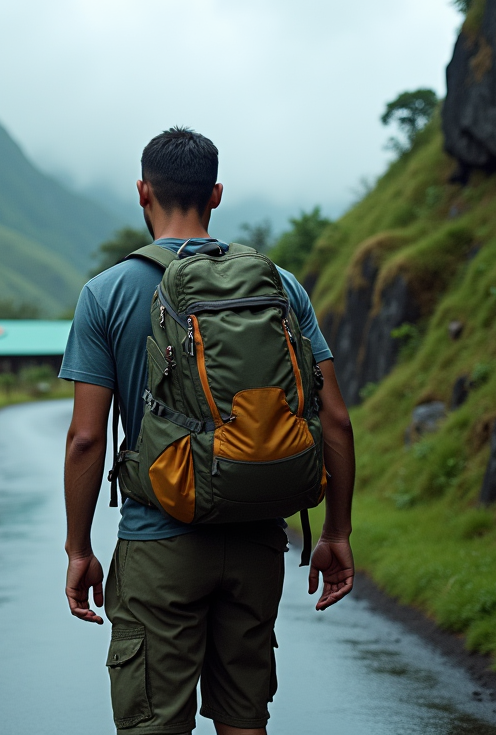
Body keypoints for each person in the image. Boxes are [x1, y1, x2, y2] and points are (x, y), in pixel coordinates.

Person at [60, 127, 356, 735]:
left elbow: (86, 439)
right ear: (215, 194)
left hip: (157, 543)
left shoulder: (106, 293)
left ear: (143, 192)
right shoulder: (280, 287)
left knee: (154, 725)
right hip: (255, 539)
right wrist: (337, 531)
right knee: (244, 722)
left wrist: (79, 549)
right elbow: (336, 418)